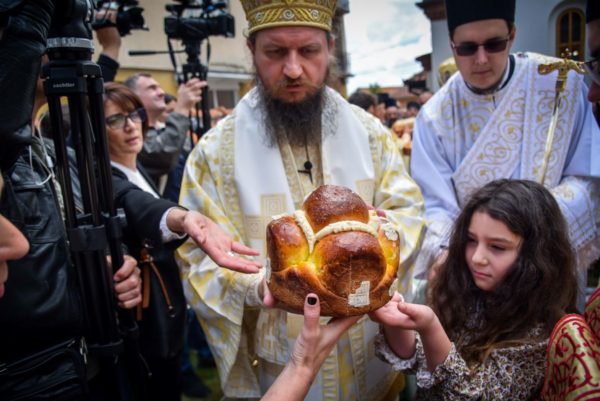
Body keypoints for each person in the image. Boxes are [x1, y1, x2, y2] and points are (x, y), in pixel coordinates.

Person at [176, 1, 425, 399]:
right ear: (251, 50)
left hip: (367, 352)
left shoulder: (370, 134)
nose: (293, 69)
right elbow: (197, 259)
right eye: (275, 52)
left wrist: (380, 241)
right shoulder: (215, 153)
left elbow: (408, 213)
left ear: (330, 48)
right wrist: (260, 286)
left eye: (308, 51)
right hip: (280, 362)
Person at [410, 0, 600, 305]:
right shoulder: (434, 116)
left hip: (548, 266)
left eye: (494, 44)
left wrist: (528, 232)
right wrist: (448, 252)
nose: (481, 59)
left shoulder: (560, 85)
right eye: (467, 48)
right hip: (475, 272)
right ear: (452, 45)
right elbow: (434, 205)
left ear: (512, 35)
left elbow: (588, 179)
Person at [371, 179, 578, 399]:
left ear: (537, 255)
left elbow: (471, 395)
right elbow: (421, 359)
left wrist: (430, 327)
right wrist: (396, 321)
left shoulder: (542, 331)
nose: (477, 258)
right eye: (471, 240)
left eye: (497, 247)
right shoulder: (466, 292)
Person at [124, 72, 205, 188]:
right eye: (152, 88)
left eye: (159, 87)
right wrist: (182, 108)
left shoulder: (164, 129)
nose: (161, 92)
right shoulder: (132, 135)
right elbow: (163, 154)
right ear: (134, 97)